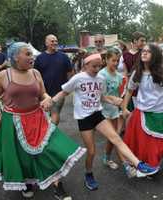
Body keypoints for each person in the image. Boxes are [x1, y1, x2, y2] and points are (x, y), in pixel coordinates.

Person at [0, 42, 86, 200]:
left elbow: (43, 94)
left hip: (37, 118)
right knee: (22, 157)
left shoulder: (35, 73)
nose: (32, 56)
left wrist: (47, 99)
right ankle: (27, 183)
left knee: (49, 150)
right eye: (27, 54)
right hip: (13, 122)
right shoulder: (4, 75)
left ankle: (57, 185)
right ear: (15, 57)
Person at [52, 53, 159, 191]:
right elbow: (64, 92)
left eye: (99, 66)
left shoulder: (100, 79)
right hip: (84, 119)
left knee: (116, 138)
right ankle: (89, 174)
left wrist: (113, 100)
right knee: (91, 151)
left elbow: (101, 97)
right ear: (85, 65)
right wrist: (50, 100)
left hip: (97, 114)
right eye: (94, 66)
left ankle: (139, 164)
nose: (97, 69)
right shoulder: (78, 78)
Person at [122, 43, 163, 172]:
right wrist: (124, 108)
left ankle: (153, 164)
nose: (144, 53)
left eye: (148, 52)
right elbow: (129, 90)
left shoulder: (161, 72)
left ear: (155, 55)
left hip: (158, 113)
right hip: (141, 112)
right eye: (143, 51)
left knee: (156, 143)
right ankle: (146, 165)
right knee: (142, 142)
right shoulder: (137, 72)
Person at [34, 34, 74, 125]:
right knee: (46, 114)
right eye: (52, 41)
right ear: (46, 43)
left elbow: (70, 73)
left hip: (59, 92)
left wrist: (67, 88)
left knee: (55, 112)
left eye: (56, 41)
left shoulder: (64, 57)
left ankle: (51, 133)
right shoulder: (40, 58)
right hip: (44, 93)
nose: (55, 43)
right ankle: (47, 133)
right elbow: (36, 75)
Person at [98, 48, 123, 170]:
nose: (116, 63)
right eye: (113, 60)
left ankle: (107, 158)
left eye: (118, 60)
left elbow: (118, 94)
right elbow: (99, 96)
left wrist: (122, 108)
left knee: (114, 137)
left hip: (114, 111)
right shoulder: (101, 75)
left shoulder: (118, 75)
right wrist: (112, 99)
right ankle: (125, 163)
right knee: (113, 136)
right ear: (106, 60)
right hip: (103, 110)